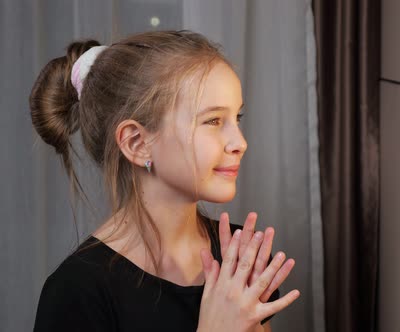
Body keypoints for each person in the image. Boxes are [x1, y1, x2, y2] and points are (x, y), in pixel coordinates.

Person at [29, 30, 300, 332]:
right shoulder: (78, 291)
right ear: (136, 143)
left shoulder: (240, 260)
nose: (240, 142)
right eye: (213, 121)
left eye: (237, 118)